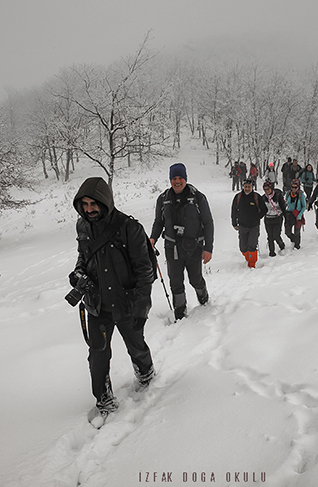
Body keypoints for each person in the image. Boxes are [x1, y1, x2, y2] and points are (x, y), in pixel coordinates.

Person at [70, 177, 156, 421]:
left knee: (136, 345)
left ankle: (146, 372)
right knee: (97, 353)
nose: (89, 209)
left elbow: (144, 270)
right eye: (84, 204)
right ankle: (103, 397)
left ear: (105, 201)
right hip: (97, 304)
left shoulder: (129, 228)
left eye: (93, 204)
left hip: (126, 303)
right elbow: (83, 257)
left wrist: (142, 307)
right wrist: (78, 274)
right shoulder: (82, 227)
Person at [150, 163, 214, 320]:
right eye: (174, 178)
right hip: (172, 247)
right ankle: (180, 312)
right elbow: (159, 221)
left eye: (180, 178)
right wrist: (152, 238)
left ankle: (204, 300)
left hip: (194, 247)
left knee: (195, 279)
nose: (177, 181)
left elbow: (208, 223)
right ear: (170, 180)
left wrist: (208, 248)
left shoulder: (198, 197)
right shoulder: (163, 199)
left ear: (185, 179)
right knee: (175, 281)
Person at [231, 178, 267, 268]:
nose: (247, 188)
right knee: (243, 248)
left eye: (249, 187)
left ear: (252, 187)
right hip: (242, 226)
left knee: (252, 246)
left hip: (254, 226)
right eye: (245, 186)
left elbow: (264, 209)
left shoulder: (257, 197)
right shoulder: (238, 197)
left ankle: (252, 264)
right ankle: (248, 258)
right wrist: (234, 223)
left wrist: (257, 217)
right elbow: (234, 210)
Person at [261, 181, 287, 256]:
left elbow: (283, 207)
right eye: (265, 189)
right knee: (270, 236)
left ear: (271, 188)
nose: (267, 191)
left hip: (277, 218)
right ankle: (271, 252)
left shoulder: (278, 196)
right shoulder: (263, 198)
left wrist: (286, 219)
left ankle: (281, 245)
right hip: (268, 218)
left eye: (268, 189)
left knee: (276, 235)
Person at [284, 179, 306, 250]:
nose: (293, 189)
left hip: (297, 214)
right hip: (289, 214)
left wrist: (299, 215)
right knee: (287, 232)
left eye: (295, 187)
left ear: (298, 187)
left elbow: (304, 206)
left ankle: (297, 245)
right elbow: (285, 203)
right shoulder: (288, 194)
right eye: (292, 187)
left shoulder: (301, 195)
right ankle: (293, 240)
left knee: (297, 231)